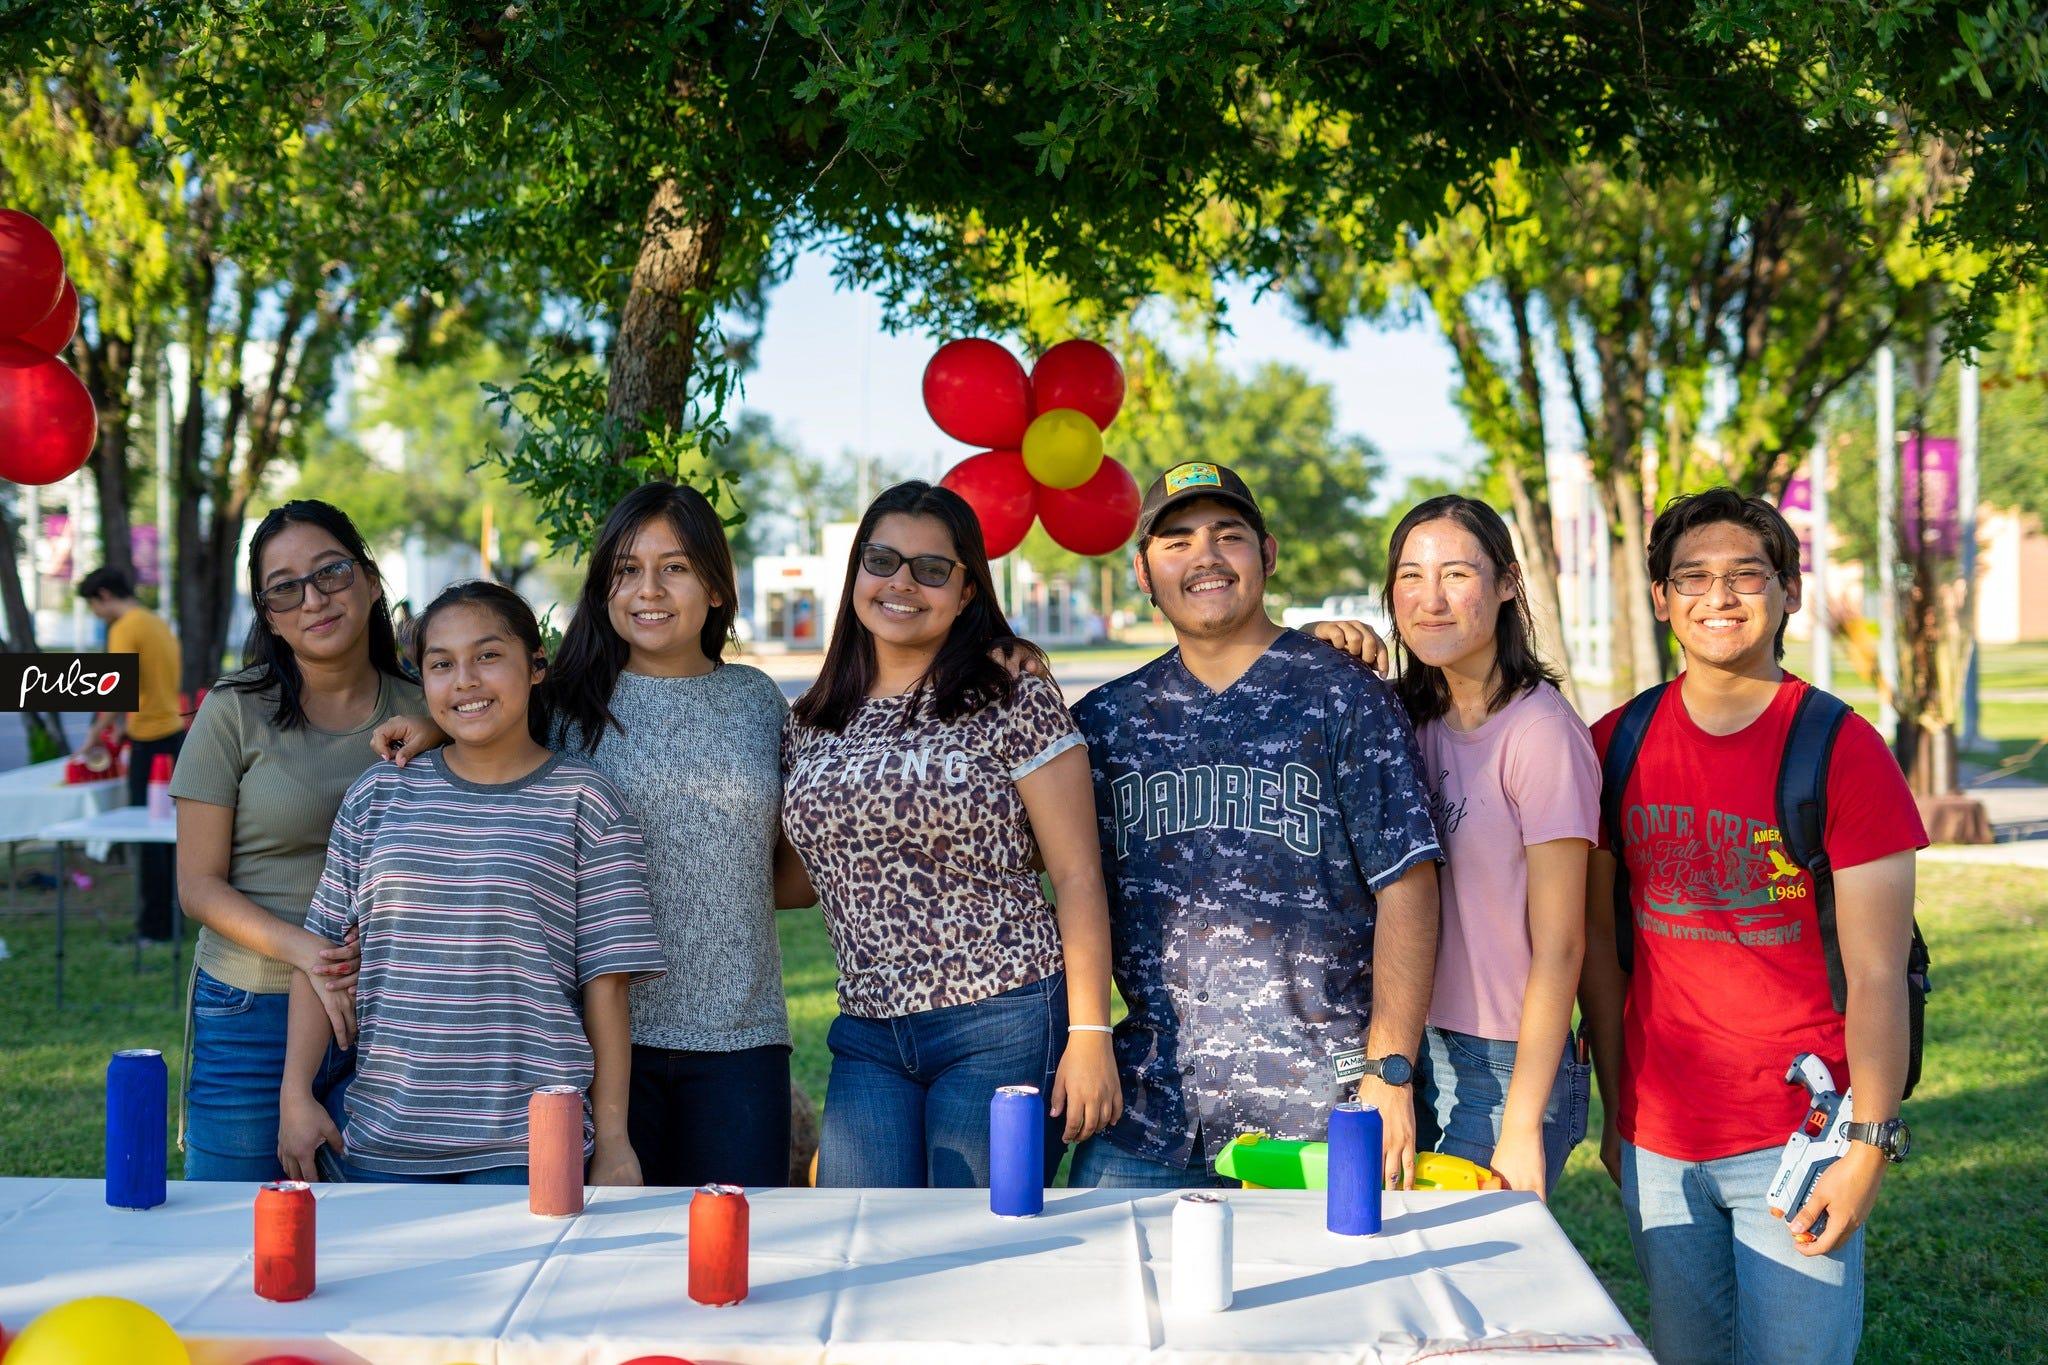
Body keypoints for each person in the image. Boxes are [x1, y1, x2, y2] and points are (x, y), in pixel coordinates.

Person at [1579, 488, 1926, 1364]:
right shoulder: (1614, 742)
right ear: (1662, 598)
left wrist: (1869, 1147)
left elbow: (1881, 973)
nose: (1718, 597)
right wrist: (1620, 1108)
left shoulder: (1842, 748)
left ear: (1788, 593)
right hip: (1659, 1137)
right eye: (1691, 577)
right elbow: (1599, 955)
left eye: (1746, 575)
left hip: (1801, 1136)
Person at [376, 482, 799, 1188]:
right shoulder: (565, 704)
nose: (648, 589)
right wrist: (430, 727)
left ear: (717, 587)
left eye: (675, 567)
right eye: (627, 570)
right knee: (613, 1261)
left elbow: (787, 869)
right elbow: (482, 727)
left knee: (737, 1250)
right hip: (597, 1041)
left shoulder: (758, 699)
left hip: (741, 1040)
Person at [1069, 461, 1443, 1190]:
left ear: (1266, 555)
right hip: (1153, 1116)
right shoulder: (1106, 723)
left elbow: (1410, 884)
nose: (1204, 555)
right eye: (1175, 541)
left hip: (1320, 1110)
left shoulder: (1343, 696)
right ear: (1142, 573)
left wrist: (1389, 1070)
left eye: (1227, 535)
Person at [781, 480, 1122, 1188]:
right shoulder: (810, 719)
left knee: (974, 1247)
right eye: (882, 560)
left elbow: (1078, 875)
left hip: (1001, 1015)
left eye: (931, 569)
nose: (902, 582)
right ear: (856, 574)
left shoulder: (1009, 692)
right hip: (868, 1028)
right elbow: (802, 879)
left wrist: (1090, 1033)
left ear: (966, 591)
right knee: (860, 1235)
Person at [278, 580, 666, 1184]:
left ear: (536, 667)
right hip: (384, 1137)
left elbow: (608, 989)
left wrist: (614, 1141)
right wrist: (294, 1096)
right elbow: (323, 955)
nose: (465, 680)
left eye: (488, 656)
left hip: (529, 1145)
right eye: (441, 664)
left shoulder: (586, 801)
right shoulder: (379, 795)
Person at [170, 501, 424, 1180]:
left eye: (330, 572)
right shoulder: (233, 711)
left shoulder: (432, 708)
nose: (313, 598)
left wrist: (444, 731)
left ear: (369, 580)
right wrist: (313, 955)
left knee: (379, 1245)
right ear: (269, 613)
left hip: (401, 1012)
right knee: (234, 1226)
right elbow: (196, 883)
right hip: (254, 1005)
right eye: (285, 586)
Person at [1384, 494, 1595, 1199]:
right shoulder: (1411, 720)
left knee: (1482, 1283)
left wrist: (1524, 1121)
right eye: (1410, 576)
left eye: (1456, 575)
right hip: (1415, 1043)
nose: (1430, 599)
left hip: (1509, 1060)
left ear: (1507, 584)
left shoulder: (1541, 735)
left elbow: (1563, 944)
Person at [76, 565, 186, 943]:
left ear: (104, 596)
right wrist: (122, 725)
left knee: (147, 836)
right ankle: (171, 918)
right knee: (168, 835)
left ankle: (153, 929)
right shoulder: (156, 623)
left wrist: (95, 733)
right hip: (173, 737)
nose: (95, 613)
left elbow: (115, 686)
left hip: (150, 743)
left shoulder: (124, 628)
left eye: (93, 605)